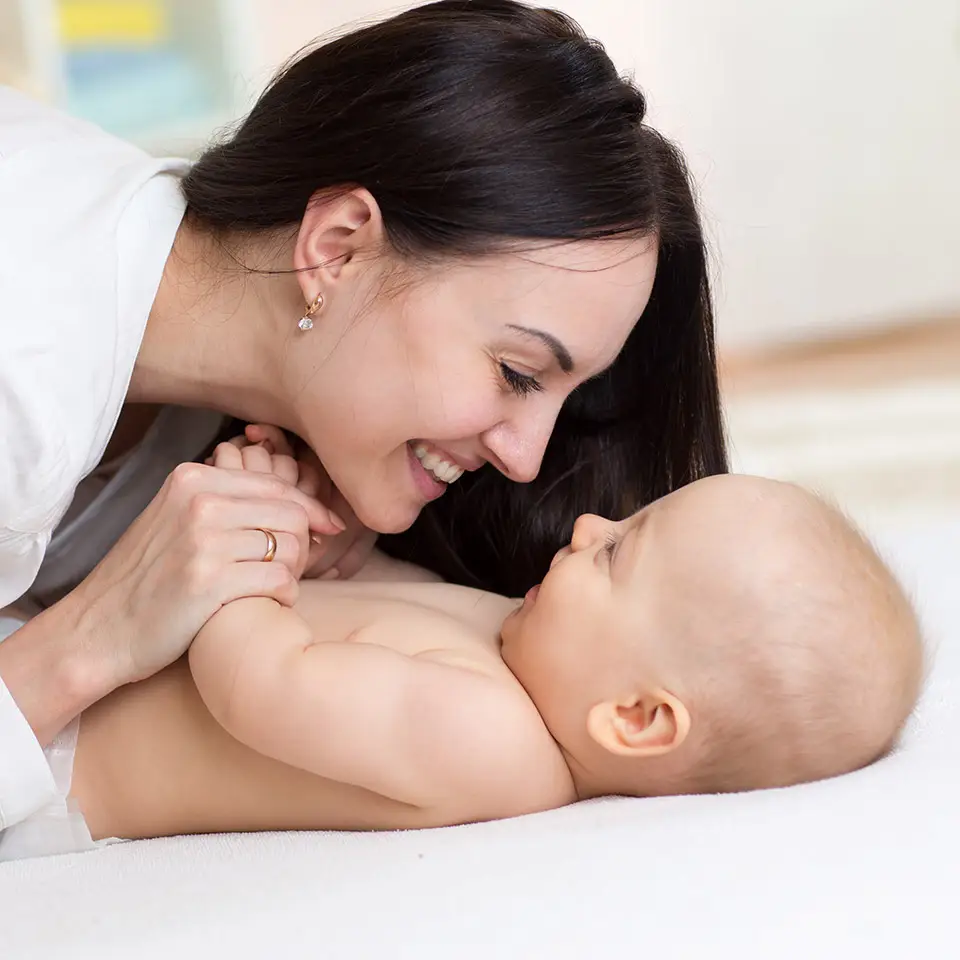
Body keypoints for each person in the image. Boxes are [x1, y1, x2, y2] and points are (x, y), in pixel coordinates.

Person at [0, 0, 725, 836]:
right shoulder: (28, 371)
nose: (527, 459)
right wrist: (95, 635)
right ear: (337, 246)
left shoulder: (215, 407)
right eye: (516, 372)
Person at [0, 452, 922, 858]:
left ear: (636, 720)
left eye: (615, 552)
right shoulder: (524, 646)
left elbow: (267, 686)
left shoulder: (492, 742)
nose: (588, 523)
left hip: (51, 765)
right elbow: (379, 606)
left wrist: (247, 568)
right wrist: (325, 547)